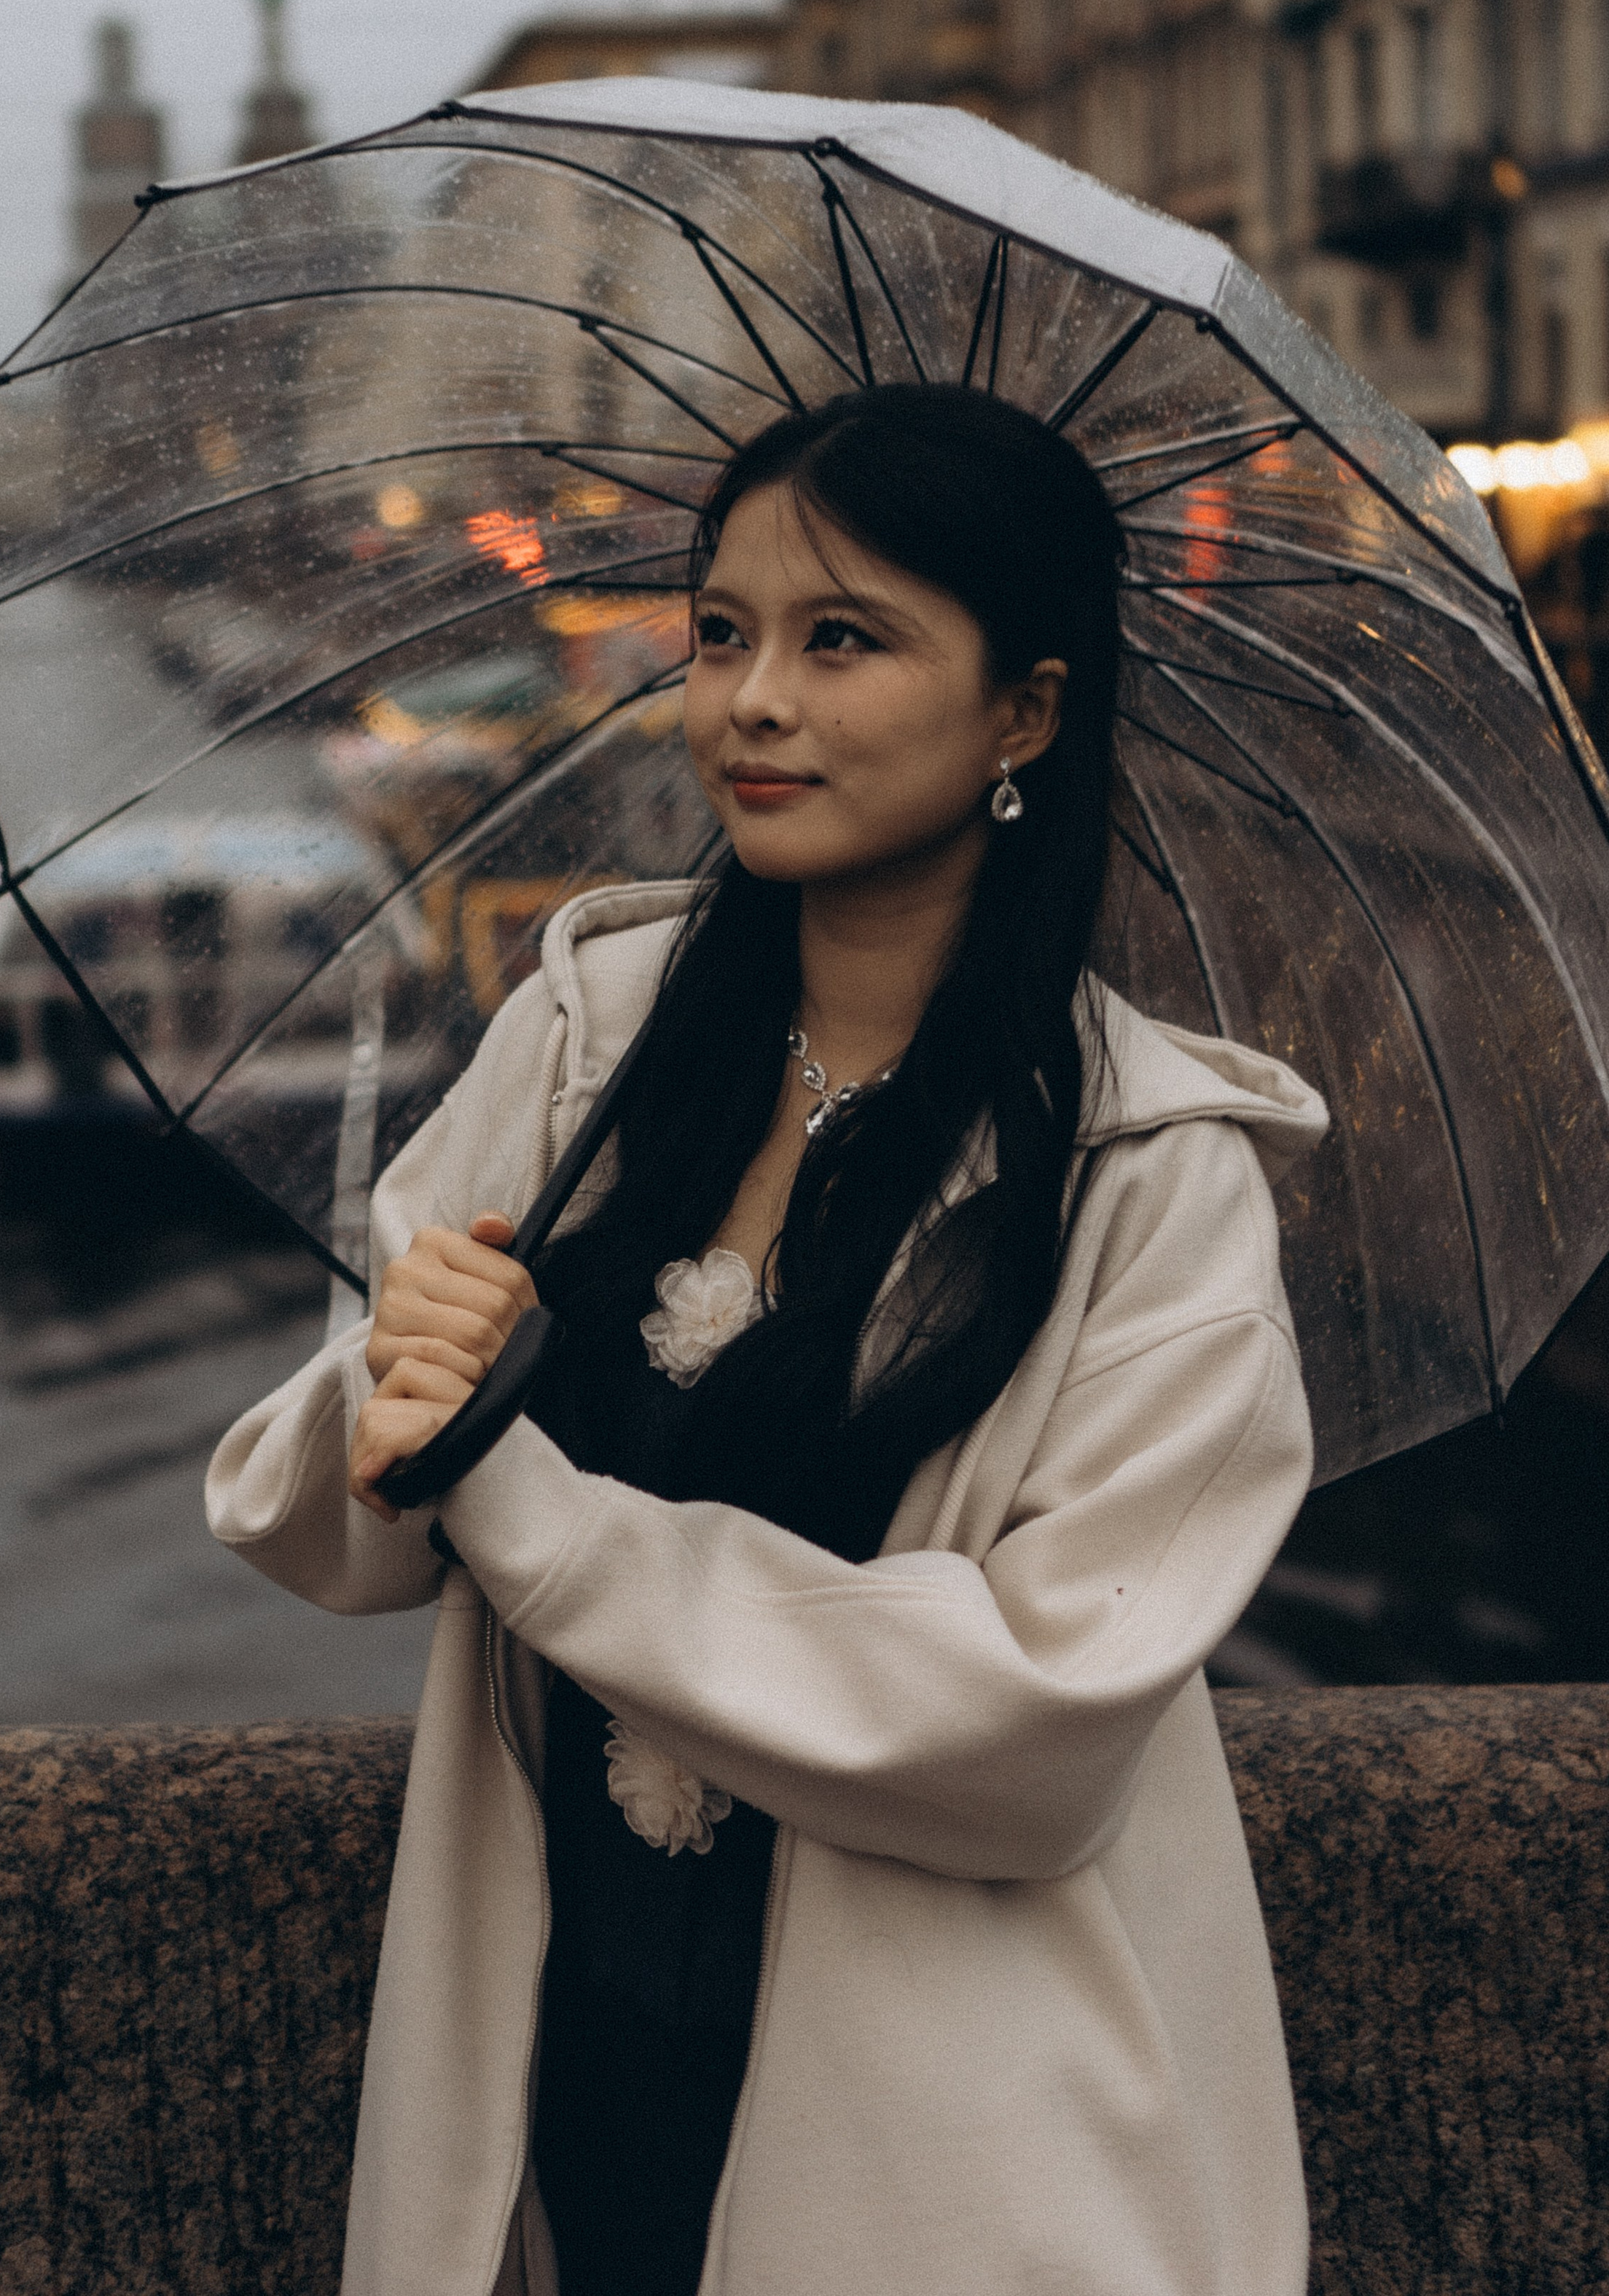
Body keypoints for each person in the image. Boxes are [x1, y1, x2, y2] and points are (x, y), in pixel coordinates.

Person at [206, 382, 1328, 2296]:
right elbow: (340, 1532)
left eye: (845, 639)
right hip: (568, 2070)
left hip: (960, 2159)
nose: (748, 699)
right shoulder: (586, 1042)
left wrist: (535, 1499)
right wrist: (395, 1396)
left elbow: (1042, 1730)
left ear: (1026, 716)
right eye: (721, 631)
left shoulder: (1153, 1174)